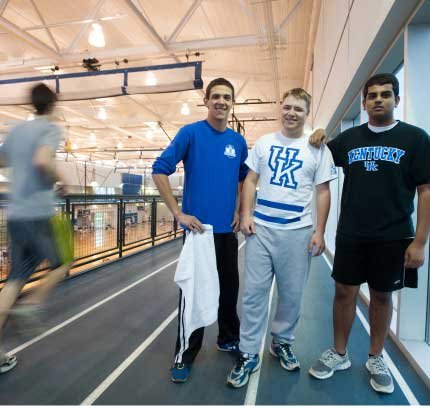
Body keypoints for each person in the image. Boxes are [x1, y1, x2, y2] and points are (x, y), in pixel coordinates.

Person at [308, 73, 430, 394]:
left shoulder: (415, 139)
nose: (378, 100)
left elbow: (426, 191)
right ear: (364, 103)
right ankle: (339, 353)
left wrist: (420, 241)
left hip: (393, 236)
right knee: (344, 294)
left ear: (396, 100)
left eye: (385, 95)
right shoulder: (349, 140)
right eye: (372, 95)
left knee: (381, 296)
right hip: (352, 234)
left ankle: (376, 357)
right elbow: (318, 159)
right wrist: (318, 134)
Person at [226, 88, 337, 388]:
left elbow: (323, 191)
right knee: (253, 295)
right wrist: (247, 214)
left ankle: (281, 342)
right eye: (287, 107)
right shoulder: (264, 143)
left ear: (306, 113)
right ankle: (249, 352)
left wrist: (320, 231)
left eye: (298, 109)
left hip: (297, 233)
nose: (291, 113)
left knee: (291, 296)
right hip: (261, 231)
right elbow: (250, 180)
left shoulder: (317, 147)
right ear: (280, 108)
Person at [152, 78, 248, 383]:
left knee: (229, 290)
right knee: (192, 295)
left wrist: (239, 210)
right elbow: (159, 170)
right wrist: (178, 213)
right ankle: (185, 353)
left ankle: (228, 338)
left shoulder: (238, 142)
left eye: (227, 97)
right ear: (206, 101)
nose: (221, 101)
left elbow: (245, 178)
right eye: (216, 96)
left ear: (232, 103)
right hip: (198, 233)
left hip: (227, 232)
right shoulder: (190, 134)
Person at [0, 83, 71, 374]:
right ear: (52, 105)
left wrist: (18, 180)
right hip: (38, 213)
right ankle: (33, 304)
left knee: (14, 279)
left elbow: (2, 161)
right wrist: (60, 180)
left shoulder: (15, 131)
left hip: (15, 214)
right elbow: (42, 161)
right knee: (62, 264)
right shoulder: (50, 129)